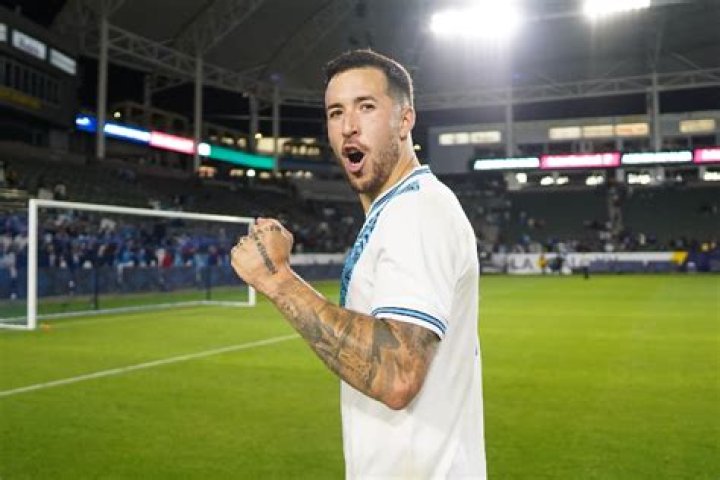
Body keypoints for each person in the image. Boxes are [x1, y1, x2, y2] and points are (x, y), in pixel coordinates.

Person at [231, 49, 486, 479]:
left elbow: (397, 374)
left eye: (366, 107)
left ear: (405, 120)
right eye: (336, 112)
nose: (348, 125)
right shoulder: (397, 210)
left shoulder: (416, 210)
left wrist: (278, 280)